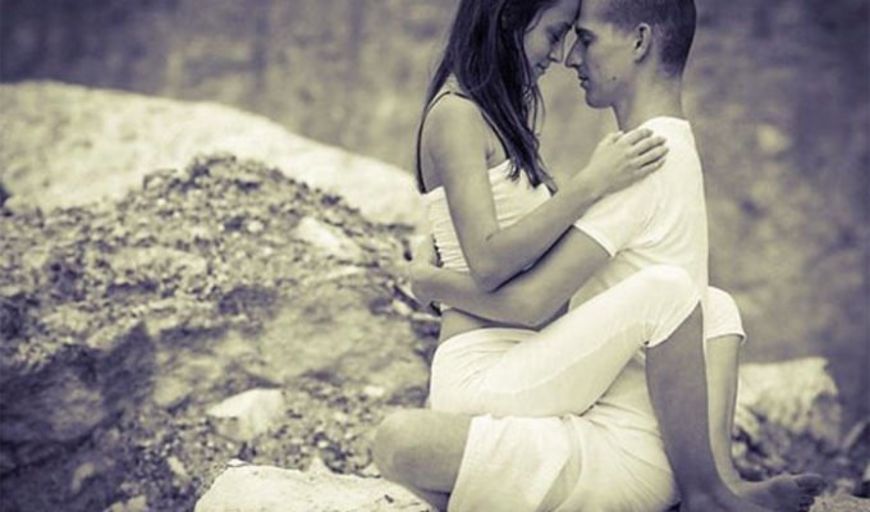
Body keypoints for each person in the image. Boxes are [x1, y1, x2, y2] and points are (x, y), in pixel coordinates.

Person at [374, 0, 825, 510]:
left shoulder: (496, 117)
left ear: (640, 42)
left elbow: (526, 277)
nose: (563, 55)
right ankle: (706, 494)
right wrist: (588, 185)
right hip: (485, 368)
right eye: (556, 34)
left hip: (523, 357)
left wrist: (433, 282)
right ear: (509, 18)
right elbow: (494, 265)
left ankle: (721, 481)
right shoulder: (456, 113)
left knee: (712, 305)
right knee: (668, 290)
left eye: (578, 38)